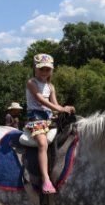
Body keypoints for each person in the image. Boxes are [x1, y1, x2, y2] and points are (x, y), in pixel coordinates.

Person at [25, 53, 75, 194]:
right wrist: (59, 108)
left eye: (48, 69)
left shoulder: (51, 86)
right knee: (42, 143)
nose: (45, 72)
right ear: (35, 68)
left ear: (52, 70)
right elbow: (40, 99)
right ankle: (46, 179)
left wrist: (65, 109)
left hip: (48, 117)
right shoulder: (31, 83)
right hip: (35, 117)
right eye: (42, 69)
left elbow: (55, 104)